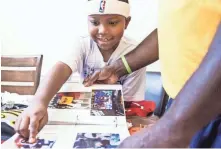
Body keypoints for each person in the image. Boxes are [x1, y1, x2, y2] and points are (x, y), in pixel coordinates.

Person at [83, 0, 221, 148]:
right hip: (184, 105)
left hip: (209, 106)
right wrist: (116, 68)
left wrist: (170, 129)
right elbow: (173, 30)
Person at [14, 0, 146, 143]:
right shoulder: (82, 44)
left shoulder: (136, 54)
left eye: (113, 23)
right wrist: (38, 102)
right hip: (80, 115)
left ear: (126, 23)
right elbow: (62, 67)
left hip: (113, 119)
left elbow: (128, 106)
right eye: (95, 23)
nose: (102, 30)